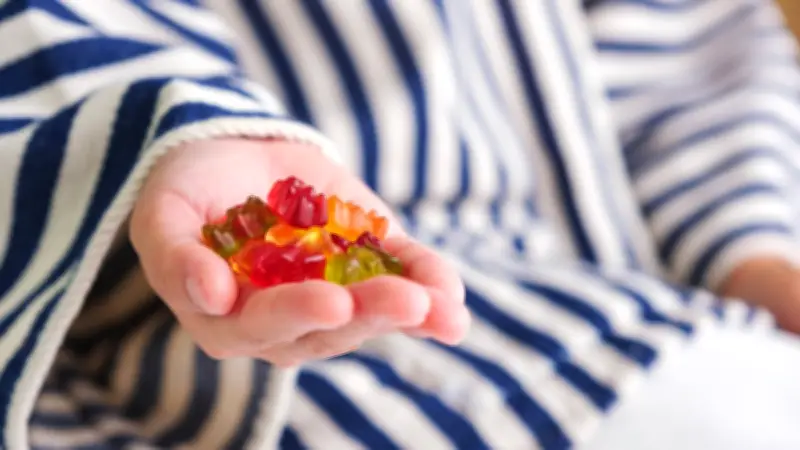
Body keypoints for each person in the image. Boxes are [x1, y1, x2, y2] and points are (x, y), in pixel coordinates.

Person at [3, 0, 800, 448]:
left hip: (663, 300)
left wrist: (751, 251)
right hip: (275, 371)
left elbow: (688, 54)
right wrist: (182, 129)